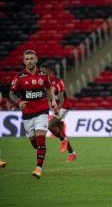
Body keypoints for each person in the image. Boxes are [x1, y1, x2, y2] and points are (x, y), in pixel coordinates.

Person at [9, 49, 57, 179]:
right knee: (34, 142)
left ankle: (38, 168)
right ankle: (40, 150)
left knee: (41, 138)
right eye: (27, 59)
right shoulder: (19, 77)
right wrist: (19, 102)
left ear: (36, 59)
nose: (30, 61)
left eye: (31, 58)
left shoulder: (43, 74)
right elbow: (11, 93)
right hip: (27, 113)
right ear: (24, 61)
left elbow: (49, 87)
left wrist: (52, 99)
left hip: (42, 110)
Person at [40, 63, 77, 162]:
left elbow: (61, 99)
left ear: (50, 71)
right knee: (61, 132)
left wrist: (57, 109)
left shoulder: (58, 82)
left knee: (49, 125)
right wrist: (51, 108)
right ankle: (72, 153)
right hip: (56, 108)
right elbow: (48, 98)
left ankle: (63, 140)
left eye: (43, 72)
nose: (41, 73)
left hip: (63, 107)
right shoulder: (45, 84)